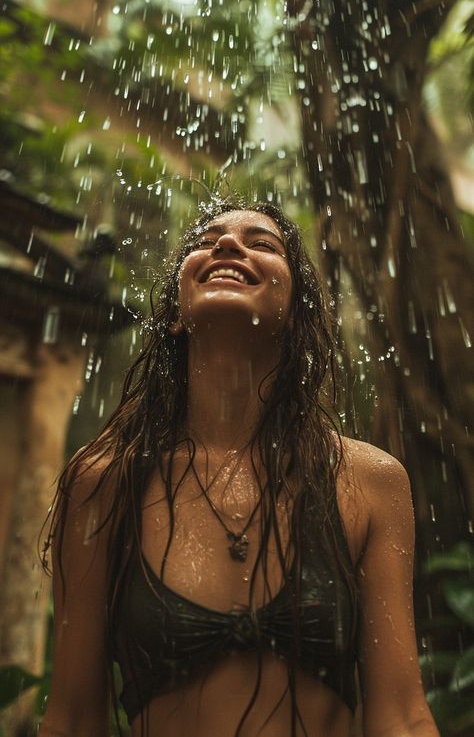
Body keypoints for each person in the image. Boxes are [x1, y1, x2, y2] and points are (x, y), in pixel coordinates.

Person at [38, 196, 440, 737]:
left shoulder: (368, 481)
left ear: (299, 313)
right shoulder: (103, 482)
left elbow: (402, 718)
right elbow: (73, 718)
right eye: (206, 241)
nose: (227, 244)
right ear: (176, 316)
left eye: (262, 244)